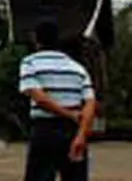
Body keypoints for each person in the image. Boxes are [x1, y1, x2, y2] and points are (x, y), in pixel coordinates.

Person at [19, 21, 96, 181]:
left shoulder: (30, 63)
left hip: (45, 130)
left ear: (36, 40)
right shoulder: (77, 68)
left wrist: (67, 114)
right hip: (73, 131)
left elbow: (39, 98)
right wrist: (81, 135)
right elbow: (90, 103)